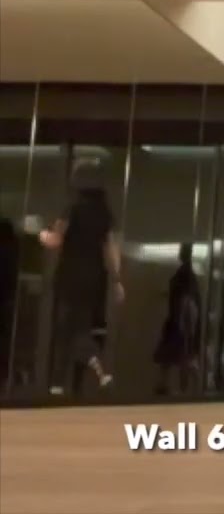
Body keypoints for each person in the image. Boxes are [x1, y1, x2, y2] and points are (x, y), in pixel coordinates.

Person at [39, 158, 124, 396]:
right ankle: (69, 380)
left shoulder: (72, 207)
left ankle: (69, 379)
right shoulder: (104, 213)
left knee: (65, 329)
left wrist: (41, 234)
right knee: (79, 328)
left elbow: (55, 240)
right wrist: (117, 280)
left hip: (69, 276)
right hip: (94, 279)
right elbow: (111, 249)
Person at [152, 243, 201, 395]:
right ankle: (179, 387)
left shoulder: (185, 275)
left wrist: (184, 325)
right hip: (179, 322)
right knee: (176, 357)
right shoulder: (187, 275)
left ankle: (183, 388)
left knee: (179, 357)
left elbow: (186, 302)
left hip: (179, 322)